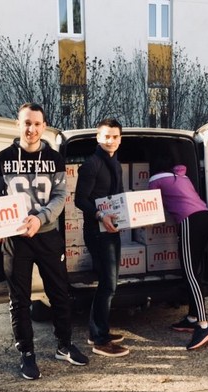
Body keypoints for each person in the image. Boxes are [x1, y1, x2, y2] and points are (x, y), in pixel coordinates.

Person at [0, 103, 89, 379]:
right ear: (17, 124)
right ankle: (27, 353)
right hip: (16, 238)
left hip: (47, 235)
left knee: (59, 292)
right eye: (26, 123)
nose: (31, 129)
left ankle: (64, 345)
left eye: (36, 123)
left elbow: (60, 196)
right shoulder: (2, 158)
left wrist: (40, 218)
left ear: (44, 126)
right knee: (19, 299)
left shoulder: (55, 158)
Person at [74, 118, 130, 357]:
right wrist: (100, 216)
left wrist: (125, 217)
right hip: (97, 232)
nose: (111, 140)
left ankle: (96, 330)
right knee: (108, 284)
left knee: (109, 283)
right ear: (98, 138)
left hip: (111, 229)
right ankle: (100, 340)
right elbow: (80, 200)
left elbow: (117, 196)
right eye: (106, 136)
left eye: (115, 136)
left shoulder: (115, 163)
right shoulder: (92, 164)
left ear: (120, 139)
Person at [148, 161, 208, 350]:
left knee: (189, 273)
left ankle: (203, 325)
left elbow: (149, 207)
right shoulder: (181, 176)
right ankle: (192, 317)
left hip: (189, 221)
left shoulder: (155, 179)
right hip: (205, 217)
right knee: (196, 270)